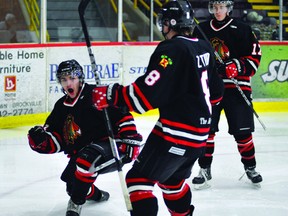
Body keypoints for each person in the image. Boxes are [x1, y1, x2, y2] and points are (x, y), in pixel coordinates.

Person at [92, 1, 224, 215]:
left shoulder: (172, 49)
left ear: (172, 23)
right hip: (199, 138)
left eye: (164, 23)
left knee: (138, 181)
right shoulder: (203, 45)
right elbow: (217, 93)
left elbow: (144, 97)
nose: (162, 27)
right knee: (172, 182)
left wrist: (111, 94)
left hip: (174, 135)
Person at [27, 59, 143, 216]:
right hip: (83, 152)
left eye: (72, 78)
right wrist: (40, 141)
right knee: (73, 186)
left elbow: (122, 114)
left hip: (114, 146)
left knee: (85, 162)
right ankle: (98, 195)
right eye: (64, 80)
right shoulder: (61, 107)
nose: (68, 83)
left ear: (80, 79)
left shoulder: (95, 94)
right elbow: (58, 140)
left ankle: (75, 204)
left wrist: (130, 137)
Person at [191, 0, 263, 189]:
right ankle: (204, 169)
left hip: (237, 87)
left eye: (221, 7)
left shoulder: (243, 29)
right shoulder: (202, 30)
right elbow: (193, 58)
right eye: (215, 7)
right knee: (207, 132)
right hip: (210, 89)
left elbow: (255, 58)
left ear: (228, 8)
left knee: (243, 132)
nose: (218, 11)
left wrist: (237, 66)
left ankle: (250, 167)